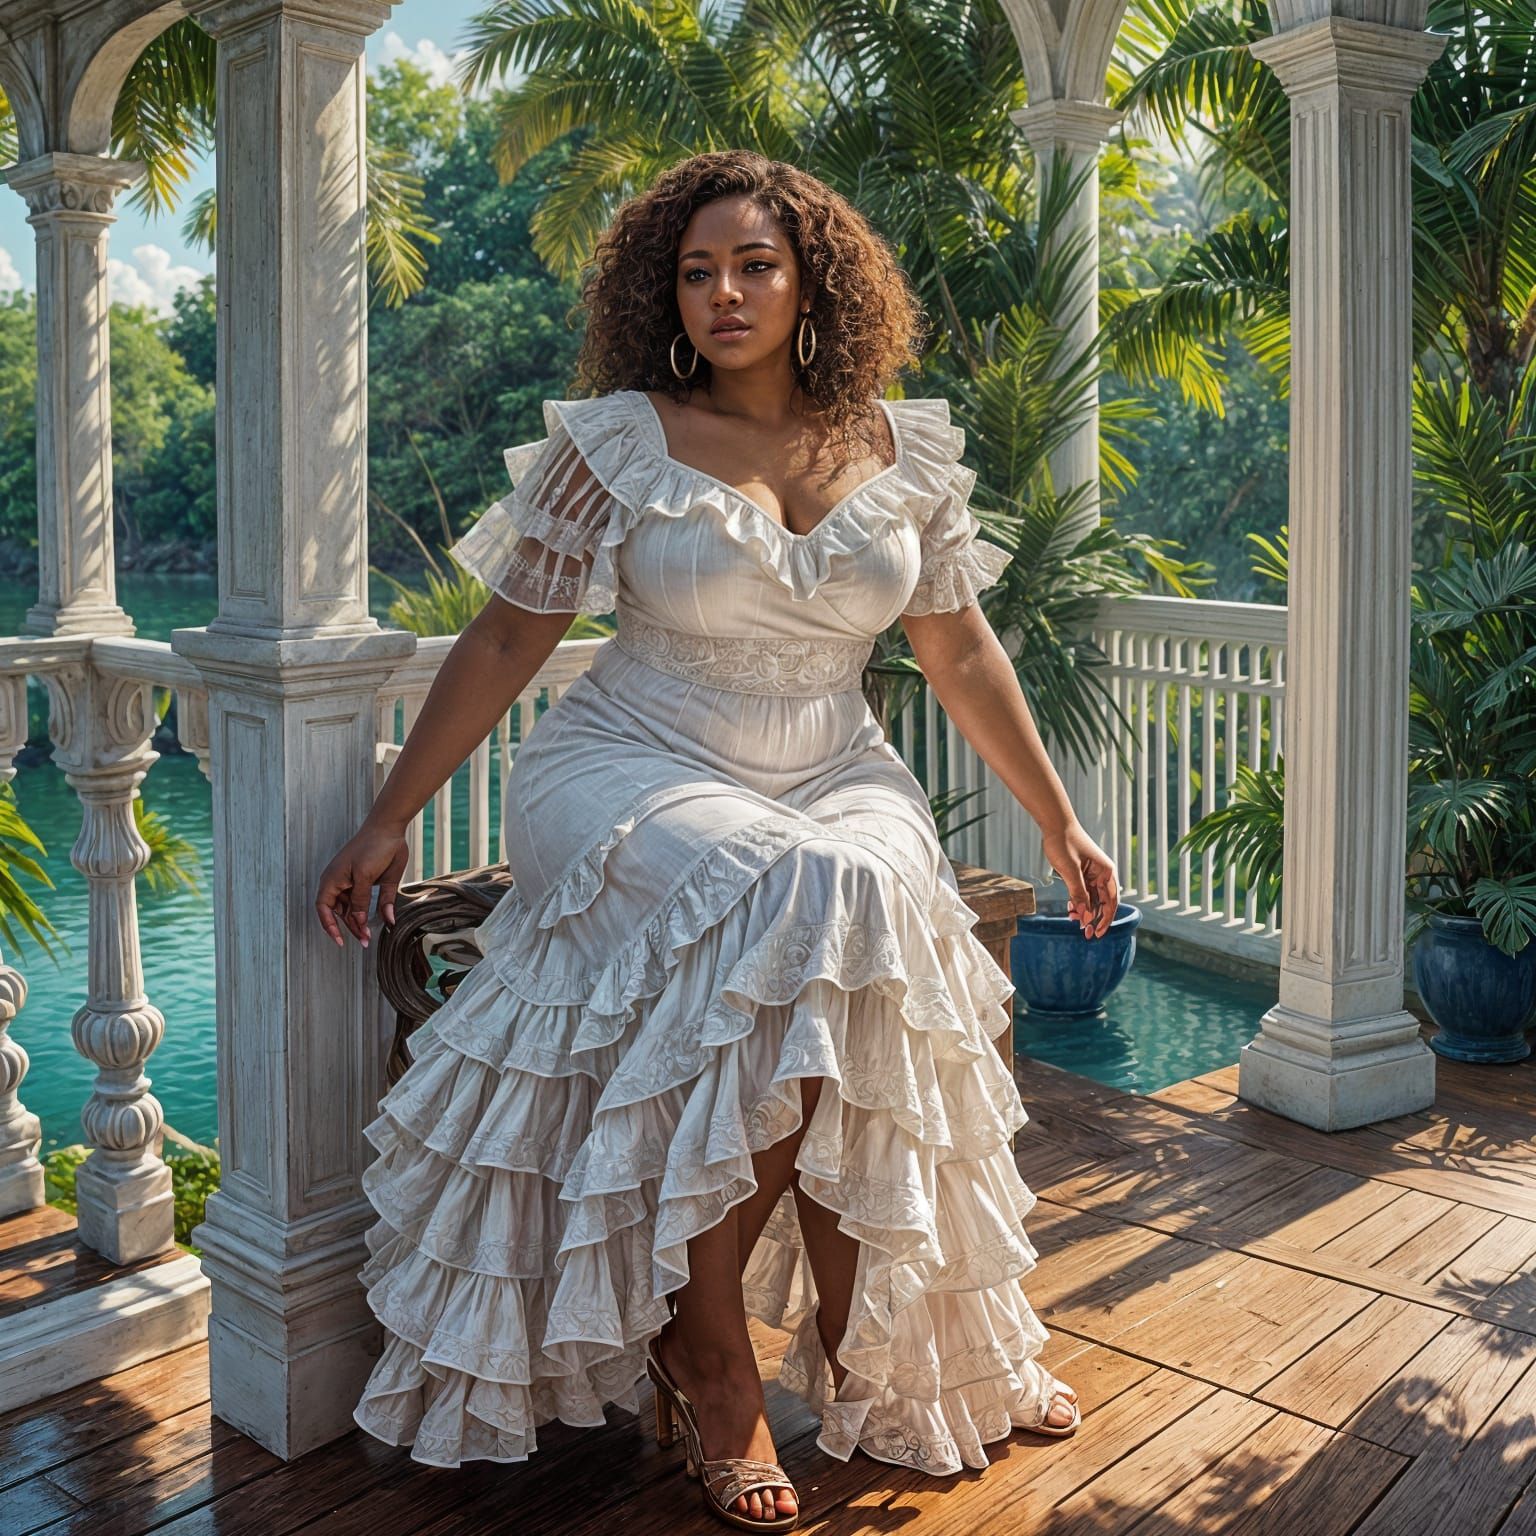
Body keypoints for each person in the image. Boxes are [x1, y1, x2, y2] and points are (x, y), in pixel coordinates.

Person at [315, 149, 1119, 1531]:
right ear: (663, 293)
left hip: (833, 760)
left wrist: (1061, 816)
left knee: (857, 881)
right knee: (804, 888)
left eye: (754, 264)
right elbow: (514, 631)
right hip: (635, 760)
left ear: (812, 281)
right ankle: (708, 1350)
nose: (724, 293)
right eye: (696, 272)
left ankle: (911, 1345)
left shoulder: (893, 442)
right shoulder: (616, 440)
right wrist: (390, 814)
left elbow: (960, 643)